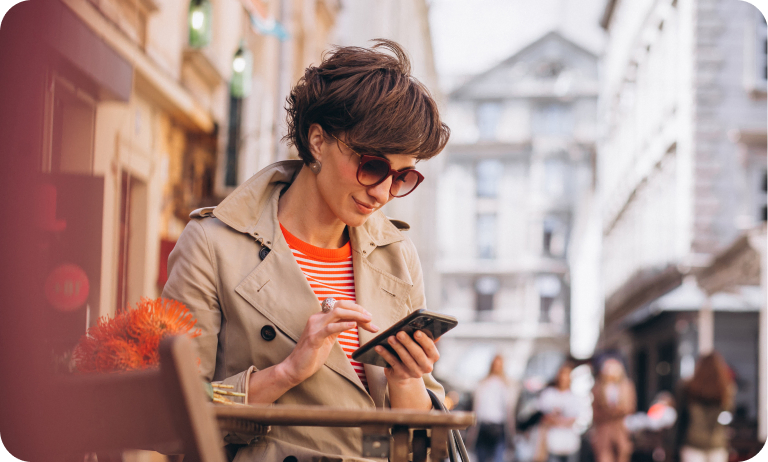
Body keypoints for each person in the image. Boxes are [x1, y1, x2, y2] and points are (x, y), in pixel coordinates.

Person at [162, 39, 450, 461]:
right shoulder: (213, 244)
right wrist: (286, 371)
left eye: (403, 178)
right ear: (318, 141)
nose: (384, 192)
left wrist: (407, 382)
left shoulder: (397, 254)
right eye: (372, 167)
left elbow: (422, 448)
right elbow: (178, 411)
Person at [676, 352, 735, 462]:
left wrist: (673, 445)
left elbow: (681, 419)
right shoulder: (725, 390)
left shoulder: (688, 388)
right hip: (716, 443)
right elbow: (728, 414)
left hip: (692, 442)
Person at [590, 358, 636, 462]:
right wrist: (607, 413)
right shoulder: (597, 388)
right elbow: (595, 411)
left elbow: (631, 407)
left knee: (622, 454)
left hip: (621, 427)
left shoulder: (627, 386)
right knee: (604, 456)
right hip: (603, 428)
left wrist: (620, 411)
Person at [538, 363, 584, 462]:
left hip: (570, 444)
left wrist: (558, 421)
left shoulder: (574, 397)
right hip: (552, 443)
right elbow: (545, 417)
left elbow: (574, 419)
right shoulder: (548, 394)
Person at [473, 355, 511, 462]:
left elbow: (509, 410)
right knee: (481, 457)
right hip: (483, 425)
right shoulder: (483, 383)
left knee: (498, 458)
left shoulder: (506, 385)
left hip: (499, 426)